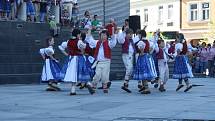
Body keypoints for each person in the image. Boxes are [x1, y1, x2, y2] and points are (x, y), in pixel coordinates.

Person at [59, 29, 95, 95]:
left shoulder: (68, 41)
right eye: (79, 34)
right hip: (79, 58)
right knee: (82, 72)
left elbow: (61, 47)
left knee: (73, 74)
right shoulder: (79, 42)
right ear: (78, 34)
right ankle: (88, 83)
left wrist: (66, 54)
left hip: (71, 59)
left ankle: (73, 90)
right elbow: (85, 48)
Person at [85, 28, 117, 93]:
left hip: (106, 61)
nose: (103, 36)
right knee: (97, 74)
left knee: (105, 75)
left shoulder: (109, 43)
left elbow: (113, 42)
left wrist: (113, 33)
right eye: (102, 35)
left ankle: (105, 87)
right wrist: (89, 31)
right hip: (99, 62)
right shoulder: (97, 42)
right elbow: (90, 40)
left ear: (107, 36)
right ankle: (93, 86)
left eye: (104, 35)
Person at [133, 29, 157, 94]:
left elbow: (141, 49)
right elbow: (151, 49)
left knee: (143, 73)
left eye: (139, 35)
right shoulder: (147, 41)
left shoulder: (141, 42)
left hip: (142, 58)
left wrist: (141, 53)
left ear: (140, 35)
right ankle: (145, 87)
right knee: (145, 73)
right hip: (147, 57)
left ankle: (146, 88)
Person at [117, 28, 140, 93]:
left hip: (131, 55)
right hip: (126, 55)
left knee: (130, 69)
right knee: (129, 68)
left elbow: (138, 37)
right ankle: (125, 84)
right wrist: (123, 32)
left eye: (131, 34)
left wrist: (141, 31)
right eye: (129, 34)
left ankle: (126, 83)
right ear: (126, 34)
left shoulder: (132, 40)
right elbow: (120, 40)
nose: (131, 35)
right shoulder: (124, 39)